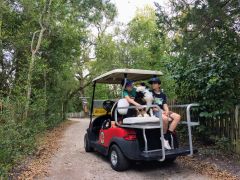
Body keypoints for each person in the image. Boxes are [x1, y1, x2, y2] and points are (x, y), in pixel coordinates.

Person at [149, 77, 181, 149]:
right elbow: (150, 106)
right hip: (155, 111)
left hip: (162, 111)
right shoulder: (150, 93)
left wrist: (166, 111)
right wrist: (162, 111)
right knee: (165, 119)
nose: (153, 85)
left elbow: (165, 104)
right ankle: (164, 137)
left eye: (155, 83)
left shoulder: (163, 95)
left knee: (177, 117)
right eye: (152, 83)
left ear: (159, 85)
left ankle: (166, 137)